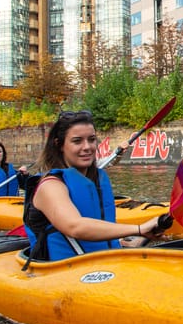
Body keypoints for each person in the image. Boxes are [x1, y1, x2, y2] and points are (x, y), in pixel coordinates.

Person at [23, 110, 167, 263]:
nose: (87, 147)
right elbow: (75, 226)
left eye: (91, 139)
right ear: (59, 145)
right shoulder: (51, 185)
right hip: (63, 271)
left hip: (104, 264)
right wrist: (138, 229)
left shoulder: (95, 178)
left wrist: (146, 234)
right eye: (77, 141)